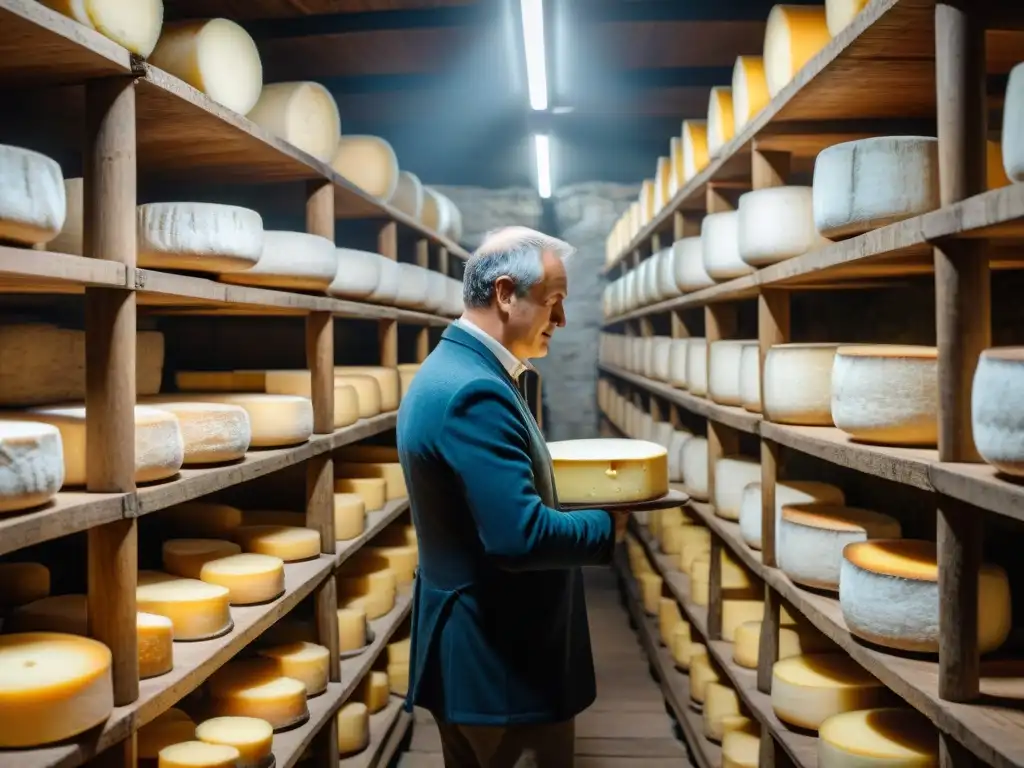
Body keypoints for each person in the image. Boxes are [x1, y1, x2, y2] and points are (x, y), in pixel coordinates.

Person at [396, 226, 630, 768]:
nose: (563, 321)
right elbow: (518, 538)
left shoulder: (460, 371)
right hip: (499, 665)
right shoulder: (474, 393)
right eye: (554, 303)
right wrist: (608, 525)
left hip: (489, 655)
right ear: (505, 294)